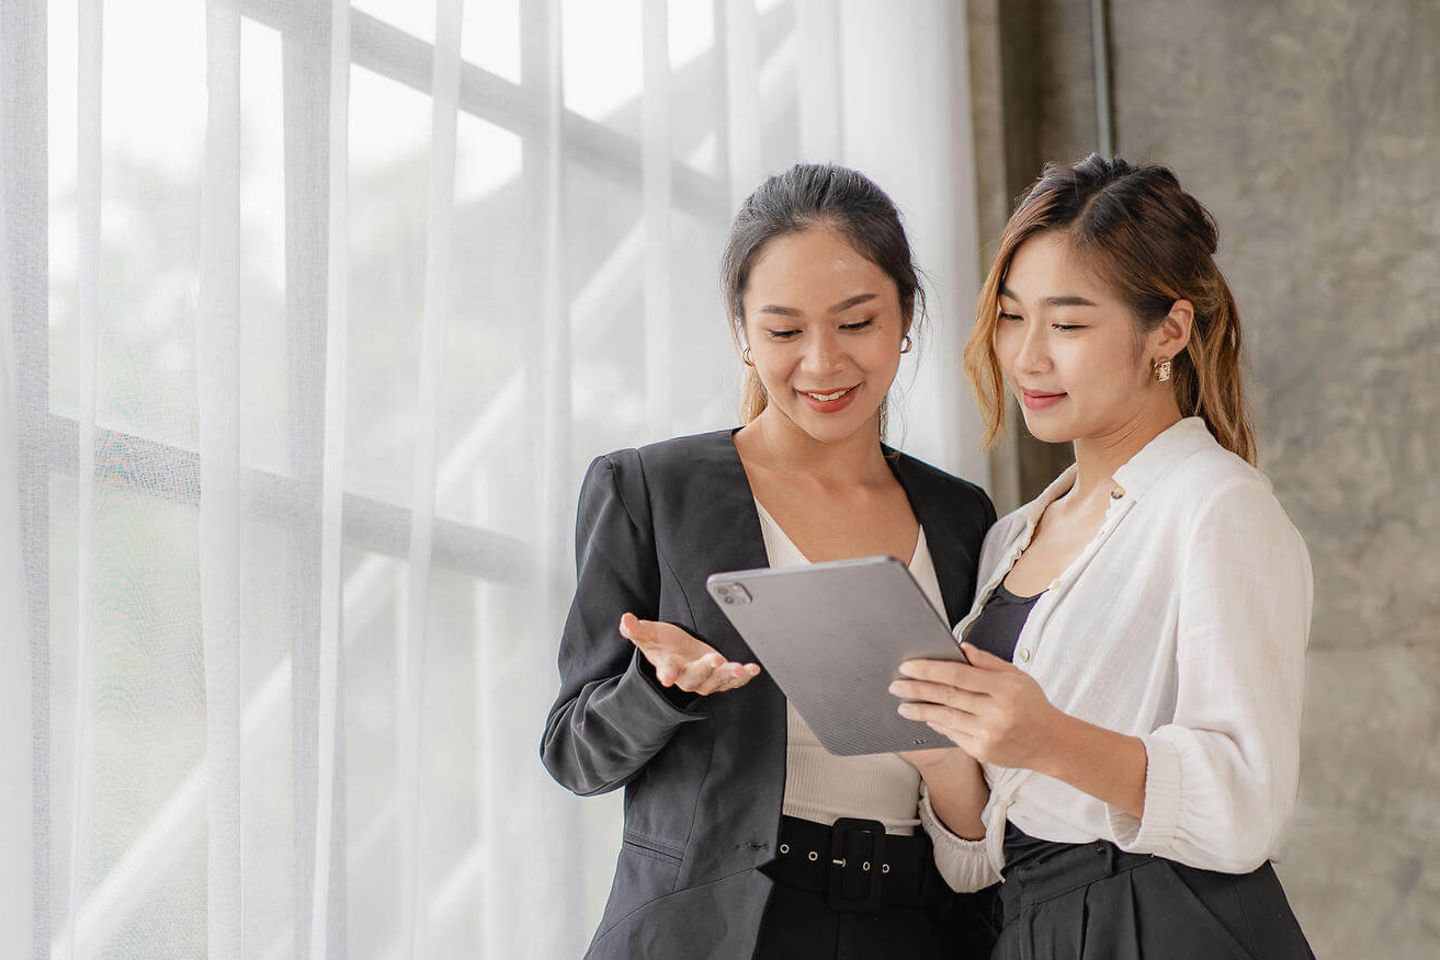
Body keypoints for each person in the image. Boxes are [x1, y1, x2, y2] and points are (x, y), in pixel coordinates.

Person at [541, 163, 998, 959]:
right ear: (742, 335)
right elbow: (574, 753)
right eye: (784, 331)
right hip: (713, 932)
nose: (821, 363)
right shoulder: (650, 489)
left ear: (905, 319)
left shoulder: (963, 519)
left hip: (914, 927)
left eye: (856, 323)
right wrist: (658, 686)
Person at [889, 154, 1316, 958]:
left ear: (1171, 330)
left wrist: (1047, 737)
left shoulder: (1215, 506)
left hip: (1168, 918)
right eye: (1012, 317)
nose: (1027, 357)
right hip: (1035, 928)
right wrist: (937, 751)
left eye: (1069, 323)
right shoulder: (1009, 537)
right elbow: (982, 860)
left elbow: (1247, 805)